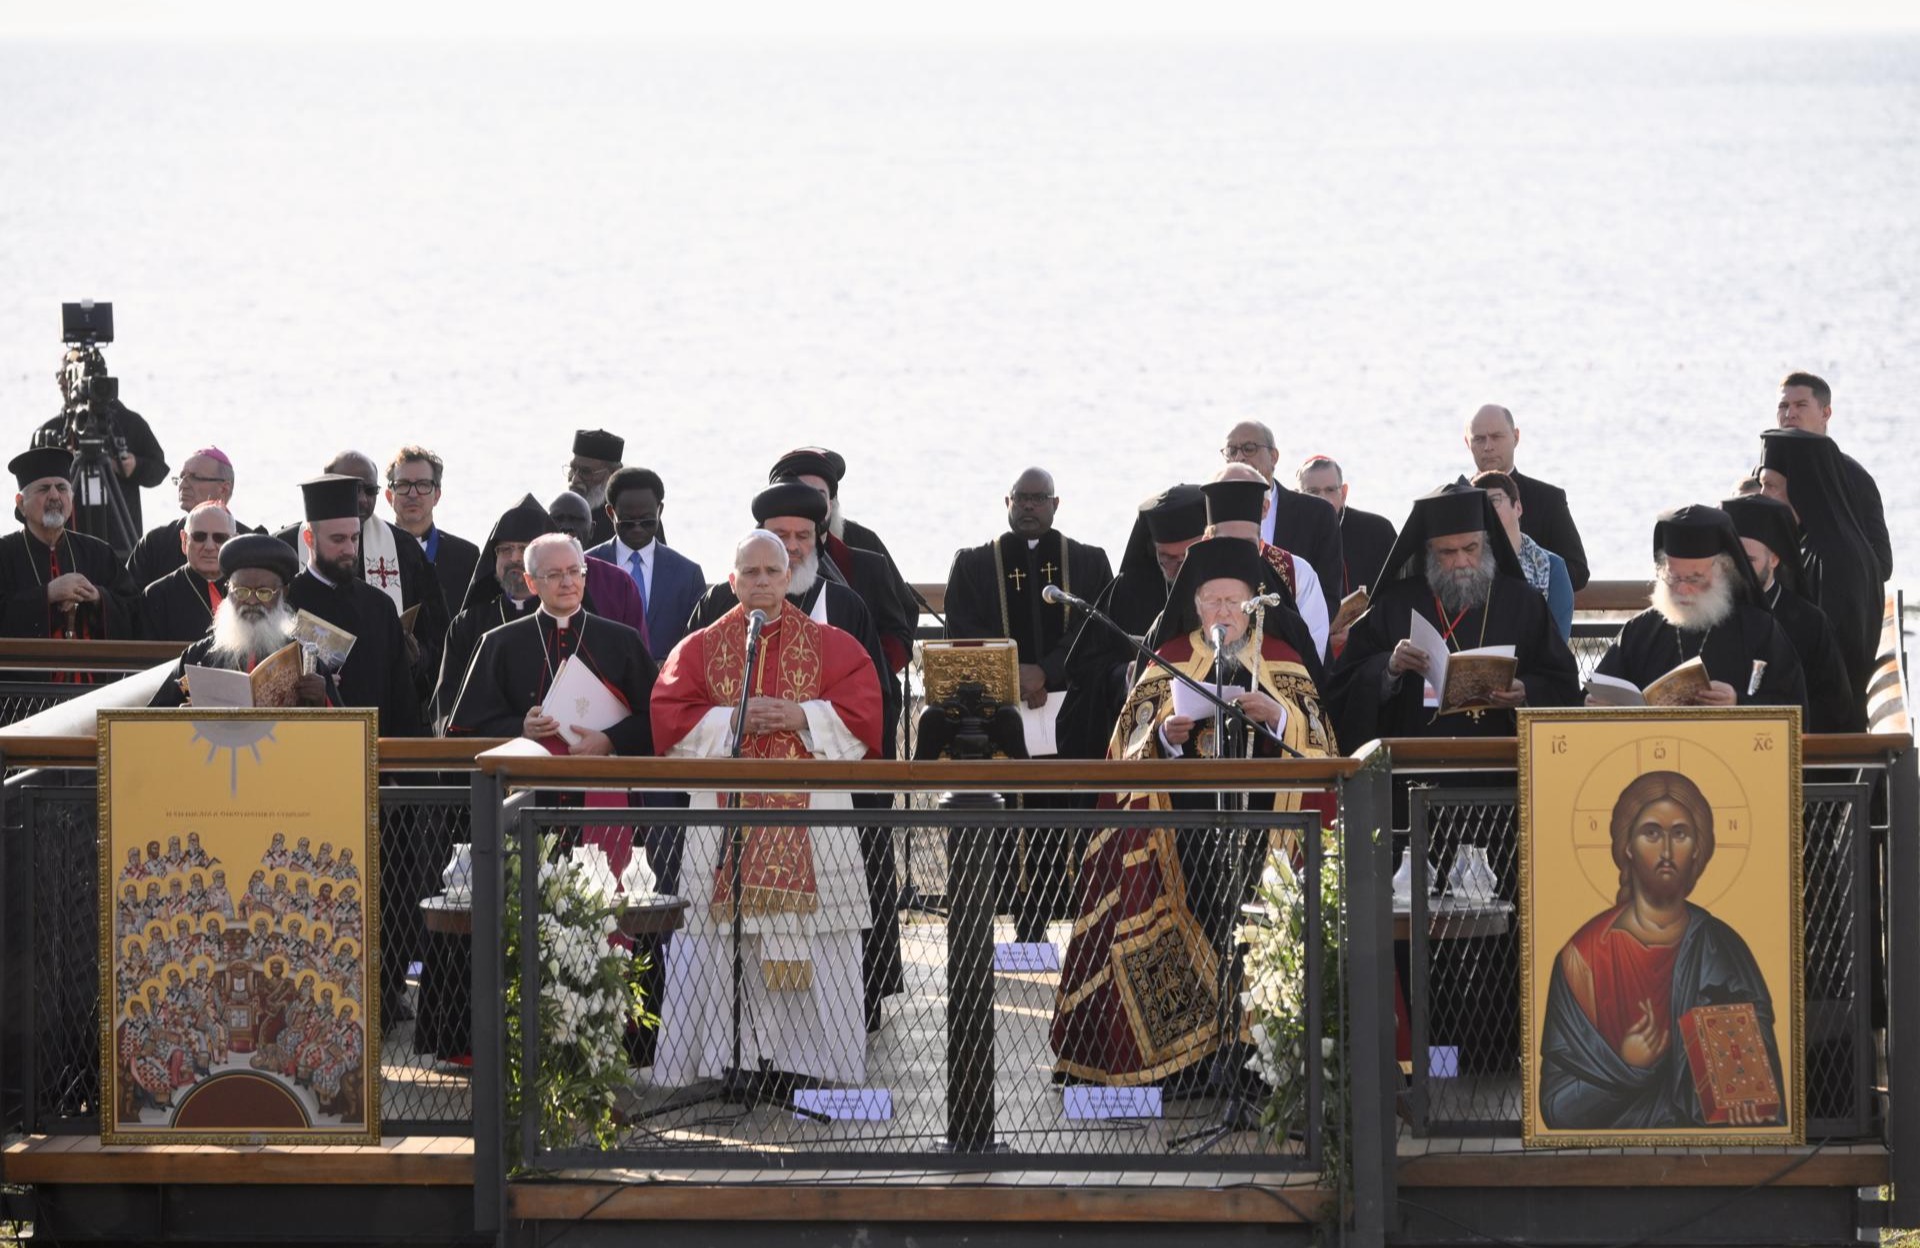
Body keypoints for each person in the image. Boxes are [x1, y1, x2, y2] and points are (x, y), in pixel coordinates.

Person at [1051, 538, 1339, 1086]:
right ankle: (1189, 1064)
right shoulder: (1170, 660)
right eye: (1213, 602)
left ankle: (1263, 1063)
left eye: (1235, 601)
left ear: (1255, 602)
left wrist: (1279, 721)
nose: (1224, 613)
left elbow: (1321, 744)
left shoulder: (1283, 659)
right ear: (1195, 605)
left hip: (1267, 838)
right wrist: (1166, 736)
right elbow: (1127, 747)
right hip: (1183, 844)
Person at [649, 529, 884, 1086]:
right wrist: (734, 719)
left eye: (770, 572)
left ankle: (815, 1065)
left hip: (815, 820)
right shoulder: (700, 648)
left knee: (823, 942)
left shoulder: (833, 645)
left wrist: (803, 716)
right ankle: (728, 1062)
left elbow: (866, 712)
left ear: (789, 579)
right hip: (724, 821)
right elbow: (669, 720)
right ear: (731, 581)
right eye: (748, 573)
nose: (760, 582)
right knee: (719, 942)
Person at [681, 482, 903, 1026]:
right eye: (780, 536)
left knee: (831, 928)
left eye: (803, 536)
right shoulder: (716, 606)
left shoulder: (844, 604)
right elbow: (678, 702)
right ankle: (732, 1049)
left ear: (816, 542)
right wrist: (733, 720)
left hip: (821, 804)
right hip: (731, 807)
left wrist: (804, 716)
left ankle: (834, 1034)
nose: (794, 547)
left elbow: (874, 699)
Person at [1539, 771, 1783, 1130]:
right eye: (1651, 833)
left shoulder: (1723, 950)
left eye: (1680, 834)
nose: (1667, 851)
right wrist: (1631, 1068)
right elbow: (1557, 1108)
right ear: (1627, 845)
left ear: (1698, 848)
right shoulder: (1583, 958)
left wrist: (1746, 1098)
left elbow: (1757, 1088)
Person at [943, 467, 1112, 943]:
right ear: (1007, 502)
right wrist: (1012, 673)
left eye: (1040, 499)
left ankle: (1079, 931)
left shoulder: (1087, 562)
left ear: (1056, 505)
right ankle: (1012, 931)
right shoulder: (975, 564)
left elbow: (1096, 631)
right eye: (1022, 498)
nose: (1030, 507)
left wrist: (1050, 670)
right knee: (1008, 820)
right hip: (1000, 713)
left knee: (1068, 814)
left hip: (1071, 713)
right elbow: (963, 629)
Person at [1326, 484, 1580, 743]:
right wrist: (1390, 668)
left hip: (1505, 762)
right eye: (1447, 552)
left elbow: (1562, 683)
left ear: (1487, 544)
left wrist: (1525, 692)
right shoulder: (1396, 604)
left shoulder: (1524, 603)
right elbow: (1345, 687)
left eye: (1471, 549)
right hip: (1415, 761)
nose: (1461, 562)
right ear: (1429, 553)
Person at [444, 532, 658, 755]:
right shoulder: (498, 643)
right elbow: (468, 729)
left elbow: (654, 716)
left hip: (603, 780)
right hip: (526, 784)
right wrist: (521, 729)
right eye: (554, 575)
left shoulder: (622, 641)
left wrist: (610, 740)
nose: (567, 583)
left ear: (584, 576)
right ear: (531, 582)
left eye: (574, 571)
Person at [1592, 505, 1806, 713]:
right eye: (1674, 577)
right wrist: (1595, 704)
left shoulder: (1758, 629)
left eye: (1695, 578)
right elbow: (1596, 691)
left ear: (1723, 570)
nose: (1683, 588)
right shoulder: (1640, 630)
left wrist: (1737, 703)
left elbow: (1794, 707)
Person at [1059, 483, 1207, 763]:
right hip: (1142, 742)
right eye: (1166, 558)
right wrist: (1122, 675)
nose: (1177, 570)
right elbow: (1084, 673)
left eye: (1185, 558)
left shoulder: (1227, 592)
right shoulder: (1127, 592)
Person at [1759, 428, 1882, 729]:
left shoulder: (1837, 559)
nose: (1763, 497)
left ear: (1803, 488)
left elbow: (1828, 663)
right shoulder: (1817, 542)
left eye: (1771, 486)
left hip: (1828, 732)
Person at [282, 475, 422, 737]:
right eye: (338, 540)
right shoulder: (286, 604)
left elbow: (402, 699)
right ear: (309, 538)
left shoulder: (380, 606)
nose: (349, 549)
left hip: (373, 757)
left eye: (354, 538)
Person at [1721, 493, 1861, 733]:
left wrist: (1744, 706)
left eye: (1749, 560)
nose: (1739, 569)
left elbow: (1834, 710)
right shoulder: (1712, 615)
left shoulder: (1810, 623)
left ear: (1774, 559)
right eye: (1731, 560)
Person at [767, 446, 918, 667]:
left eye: (818, 497)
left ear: (831, 503)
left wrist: (869, 674)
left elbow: (897, 631)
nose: (810, 507)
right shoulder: (754, 566)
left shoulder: (867, 559)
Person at [149, 534, 329, 708]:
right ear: (228, 590)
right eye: (241, 591)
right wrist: (183, 717)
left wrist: (321, 700)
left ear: (283, 593)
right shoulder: (197, 656)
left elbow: (342, 730)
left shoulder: (304, 661)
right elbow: (153, 721)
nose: (251, 601)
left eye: (263, 593)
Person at [429, 496, 556, 730]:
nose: (515, 558)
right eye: (505, 549)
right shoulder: (467, 626)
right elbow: (446, 707)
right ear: (493, 557)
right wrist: (516, 730)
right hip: (486, 758)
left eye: (525, 548)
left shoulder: (570, 620)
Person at [0, 447, 139, 647]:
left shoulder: (98, 552)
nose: (55, 496)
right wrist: (47, 594)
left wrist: (98, 597)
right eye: (44, 488)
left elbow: (134, 610)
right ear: (21, 503)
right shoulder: (5, 554)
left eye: (62, 488)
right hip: (26, 677)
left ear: (71, 498)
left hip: (93, 674)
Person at [35, 346, 169, 538]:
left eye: (65, 375)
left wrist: (135, 467)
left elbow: (159, 469)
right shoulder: (53, 430)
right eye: (64, 374)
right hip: (68, 538)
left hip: (120, 537)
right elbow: (30, 491)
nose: (62, 381)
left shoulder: (128, 422)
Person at [1200, 468, 1329, 660]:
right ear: (1209, 537)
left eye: (1246, 544)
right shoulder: (1193, 576)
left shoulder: (1296, 573)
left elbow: (1312, 655)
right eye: (1226, 543)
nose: (1237, 555)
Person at [1219, 420, 1343, 619]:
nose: (1239, 457)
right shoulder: (1207, 513)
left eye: (1249, 448)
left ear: (1273, 457)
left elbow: (1327, 599)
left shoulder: (1317, 514)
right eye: (1231, 451)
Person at [1774, 371, 1890, 582]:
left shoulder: (1855, 478)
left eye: (1801, 405)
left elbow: (1882, 564)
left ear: (1825, 413)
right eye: (1783, 406)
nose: (1790, 413)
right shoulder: (1767, 478)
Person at [585, 466, 706, 662]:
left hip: (667, 685)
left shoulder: (687, 574)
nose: (637, 528)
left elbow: (698, 644)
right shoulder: (585, 568)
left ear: (660, 510)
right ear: (610, 512)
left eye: (647, 520)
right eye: (628, 521)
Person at [1464, 404, 1589, 590]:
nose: (1488, 446)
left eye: (1496, 437)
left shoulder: (1548, 499)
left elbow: (1577, 571)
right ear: (1468, 443)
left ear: (1516, 437)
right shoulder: (1452, 500)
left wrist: (1531, 581)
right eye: (1479, 439)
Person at [125, 447, 262, 590]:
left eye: (194, 477)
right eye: (181, 477)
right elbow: (126, 600)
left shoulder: (251, 546)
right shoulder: (156, 542)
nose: (183, 484)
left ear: (224, 489)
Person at [1474, 470, 1573, 641]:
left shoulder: (1552, 567)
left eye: (1494, 500)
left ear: (1518, 507)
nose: (1487, 510)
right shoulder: (1468, 566)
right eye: (1480, 504)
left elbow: (1558, 642)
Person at [385, 446, 479, 623]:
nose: (413, 494)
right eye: (403, 485)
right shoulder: (368, 550)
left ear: (437, 495)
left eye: (423, 485)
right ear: (390, 496)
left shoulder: (466, 557)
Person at [543, 490, 651, 639]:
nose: (567, 527)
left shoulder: (620, 583)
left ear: (592, 530)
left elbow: (637, 651)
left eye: (577, 520)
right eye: (558, 519)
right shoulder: (533, 579)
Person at [1295, 454, 1399, 604]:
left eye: (1330, 490)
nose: (1323, 499)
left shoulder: (1378, 531)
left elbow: (1396, 595)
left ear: (1343, 493)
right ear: (1297, 496)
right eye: (1313, 491)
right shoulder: (1288, 534)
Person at [137, 501, 235, 642]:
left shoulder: (247, 591)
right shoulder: (157, 595)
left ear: (234, 540)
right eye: (199, 537)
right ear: (184, 541)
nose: (209, 546)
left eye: (219, 538)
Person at [566, 429, 624, 548]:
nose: (575, 479)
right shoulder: (560, 513)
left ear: (613, 474)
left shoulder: (632, 518)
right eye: (573, 469)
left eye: (585, 472)